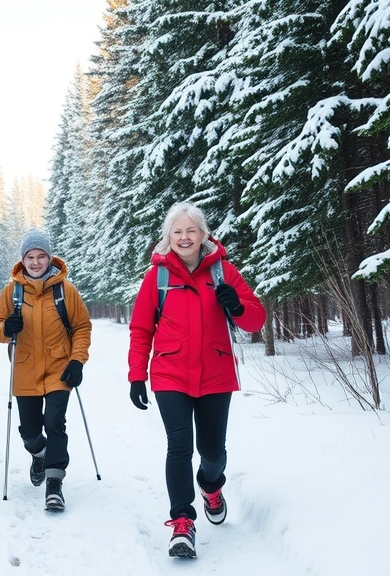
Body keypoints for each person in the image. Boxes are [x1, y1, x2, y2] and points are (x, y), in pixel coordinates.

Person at [127, 201, 266, 558]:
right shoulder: (157, 277)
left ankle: (210, 485)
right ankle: (182, 523)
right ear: (168, 237)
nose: (185, 237)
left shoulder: (224, 272)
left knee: (213, 453)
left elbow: (256, 320)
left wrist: (236, 305)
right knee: (179, 447)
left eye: (191, 230)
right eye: (177, 231)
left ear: (203, 235)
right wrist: (136, 375)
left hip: (216, 374)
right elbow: (141, 328)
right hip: (170, 374)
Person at [0, 229, 91, 512]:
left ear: (49, 258)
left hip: (60, 367)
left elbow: (82, 326)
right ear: (23, 259)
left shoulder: (65, 290)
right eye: (30, 257)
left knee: (55, 423)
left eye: (41, 256)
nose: (35, 262)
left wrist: (77, 360)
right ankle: (39, 453)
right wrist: (6, 329)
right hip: (24, 370)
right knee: (30, 432)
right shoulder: (12, 291)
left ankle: (54, 483)